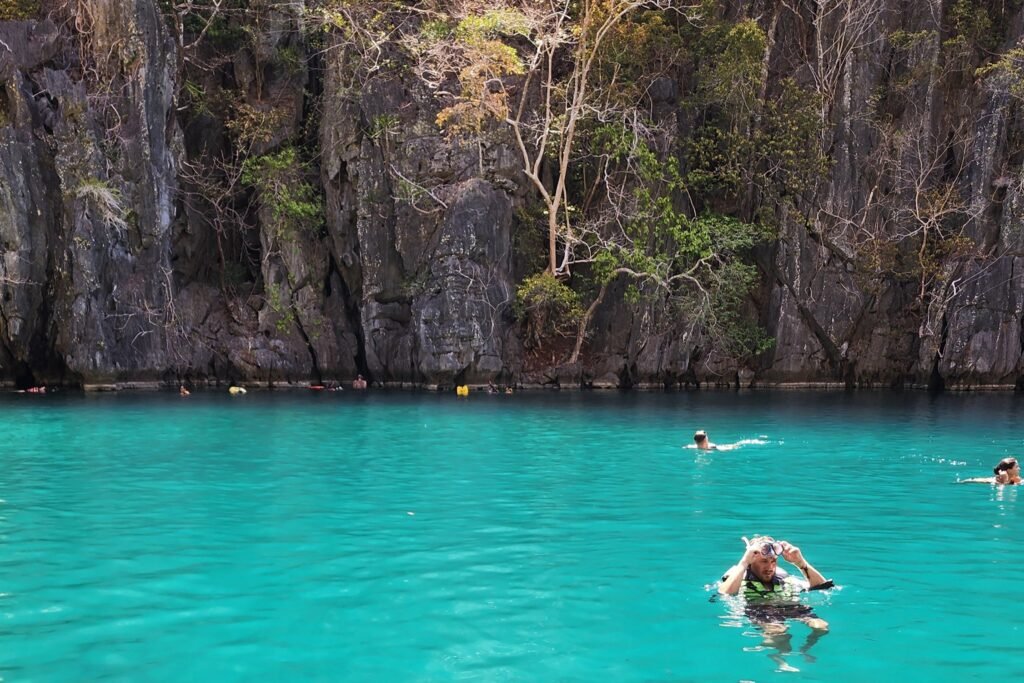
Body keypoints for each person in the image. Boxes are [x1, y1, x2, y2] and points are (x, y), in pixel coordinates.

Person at [718, 535, 831, 630]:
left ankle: (808, 651)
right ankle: (778, 656)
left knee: (821, 626)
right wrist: (744, 562)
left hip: (789, 606)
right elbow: (725, 593)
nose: (770, 567)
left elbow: (822, 587)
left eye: (773, 561)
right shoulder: (738, 575)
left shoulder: (783, 578)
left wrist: (800, 563)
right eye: (764, 561)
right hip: (759, 610)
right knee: (777, 632)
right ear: (751, 560)